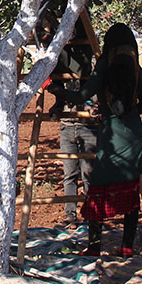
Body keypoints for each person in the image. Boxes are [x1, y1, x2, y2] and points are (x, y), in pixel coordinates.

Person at [51, 23, 142, 257]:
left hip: (111, 136)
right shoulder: (137, 69)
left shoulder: (104, 66)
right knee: (130, 190)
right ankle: (126, 247)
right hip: (134, 136)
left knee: (97, 189)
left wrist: (54, 89)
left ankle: (95, 246)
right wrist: (128, 110)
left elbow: (81, 96)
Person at [49, 29, 98, 225]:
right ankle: (70, 213)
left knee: (88, 174)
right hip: (68, 125)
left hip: (88, 125)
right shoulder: (61, 64)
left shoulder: (91, 64)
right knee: (69, 173)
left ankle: (90, 213)